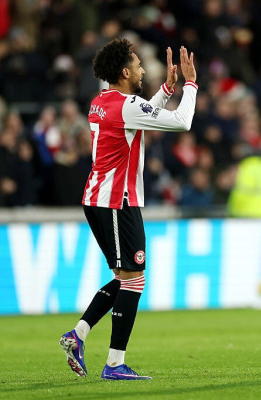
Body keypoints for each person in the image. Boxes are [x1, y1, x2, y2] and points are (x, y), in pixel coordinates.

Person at [59, 38, 198, 380]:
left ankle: (78, 334)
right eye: (138, 65)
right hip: (116, 201)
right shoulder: (128, 106)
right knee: (134, 280)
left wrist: (166, 89)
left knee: (124, 278)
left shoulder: (101, 102)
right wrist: (191, 84)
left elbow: (138, 115)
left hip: (97, 199)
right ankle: (114, 364)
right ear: (124, 72)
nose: (142, 70)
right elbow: (181, 122)